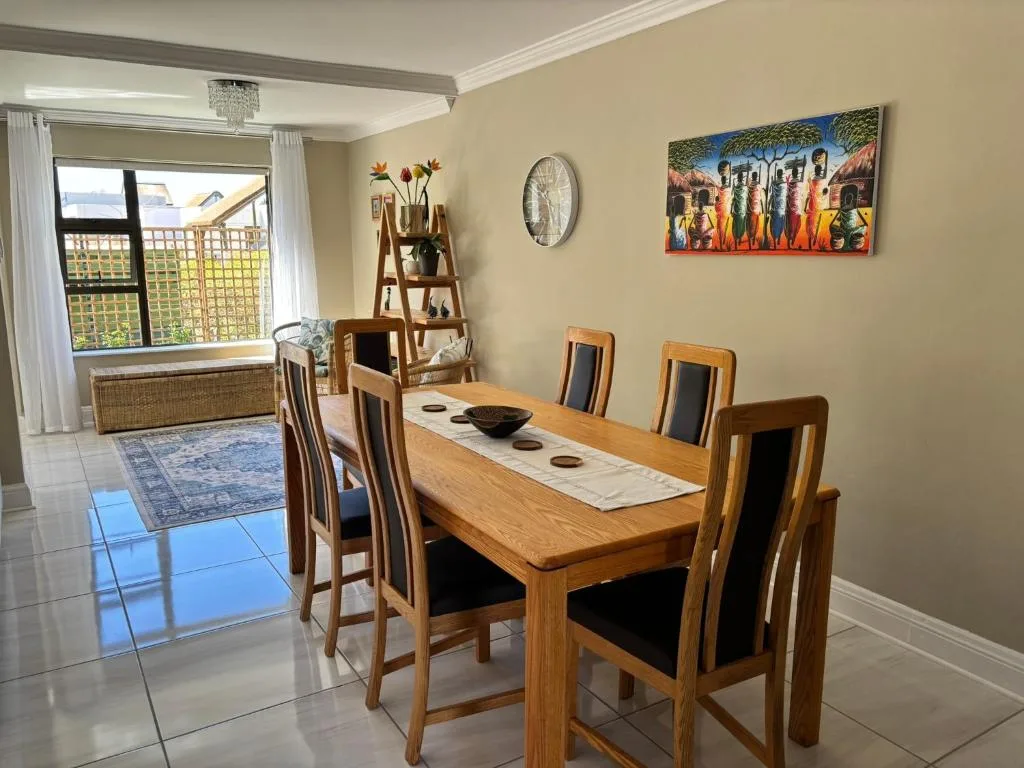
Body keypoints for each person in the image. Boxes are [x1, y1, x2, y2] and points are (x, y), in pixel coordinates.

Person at [829, 184, 869, 251]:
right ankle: (846, 243)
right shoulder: (850, 208)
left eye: (849, 199)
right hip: (847, 230)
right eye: (847, 199)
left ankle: (846, 244)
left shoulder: (850, 208)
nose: (848, 200)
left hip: (847, 230)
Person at [805, 148, 828, 250]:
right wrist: (826, 159)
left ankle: (812, 241)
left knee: (813, 222)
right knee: (813, 222)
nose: (818, 171)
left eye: (818, 170)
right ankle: (811, 242)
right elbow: (809, 194)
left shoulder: (815, 180)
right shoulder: (816, 180)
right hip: (815, 204)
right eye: (818, 170)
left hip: (816, 204)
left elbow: (809, 195)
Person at [767, 168, 787, 249]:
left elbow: (772, 195)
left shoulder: (776, 183)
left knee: (775, 224)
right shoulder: (784, 184)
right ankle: (777, 239)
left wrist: (768, 206)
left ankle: (776, 239)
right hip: (780, 208)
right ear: (781, 174)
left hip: (777, 207)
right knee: (780, 223)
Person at [715, 161, 732, 250]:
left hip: (721, 211)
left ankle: (722, 241)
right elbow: (729, 185)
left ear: (722, 181)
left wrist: (716, 202)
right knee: (725, 225)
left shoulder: (719, 189)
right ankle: (723, 240)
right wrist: (730, 169)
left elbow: (717, 200)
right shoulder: (728, 189)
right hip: (727, 210)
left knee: (720, 227)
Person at [731, 167, 749, 249]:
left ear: (738, 178)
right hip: (742, 210)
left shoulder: (735, 188)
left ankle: (736, 241)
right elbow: (746, 198)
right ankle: (740, 239)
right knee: (741, 225)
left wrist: (731, 210)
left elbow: (733, 199)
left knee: (735, 226)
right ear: (742, 178)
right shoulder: (745, 187)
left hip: (737, 210)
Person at [747, 171, 765, 250]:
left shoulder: (749, 185)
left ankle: (751, 237)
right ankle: (753, 237)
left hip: (750, 207)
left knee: (750, 224)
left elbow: (748, 197)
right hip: (756, 207)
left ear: (752, 176)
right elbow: (760, 198)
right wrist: (762, 209)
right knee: (756, 223)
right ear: (756, 176)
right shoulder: (759, 185)